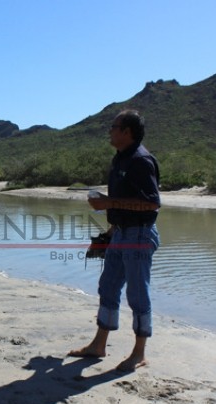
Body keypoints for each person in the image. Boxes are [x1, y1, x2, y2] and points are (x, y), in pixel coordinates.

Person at [69, 110, 160, 372]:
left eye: (114, 126)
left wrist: (108, 202)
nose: (110, 130)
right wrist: (110, 231)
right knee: (108, 286)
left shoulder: (141, 161)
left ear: (127, 132)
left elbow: (152, 202)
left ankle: (139, 353)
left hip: (139, 234)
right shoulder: (121, 159)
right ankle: (99, 345)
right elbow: (125, 201)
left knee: (137, 293)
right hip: (121, 232)